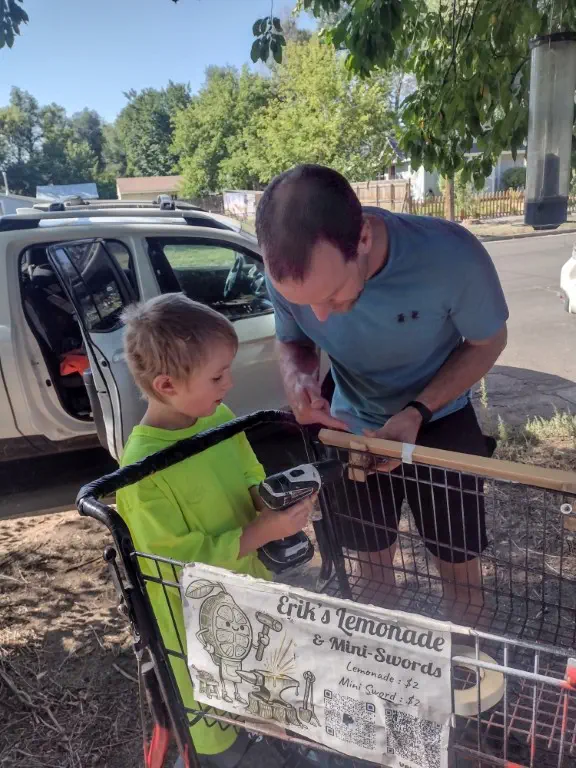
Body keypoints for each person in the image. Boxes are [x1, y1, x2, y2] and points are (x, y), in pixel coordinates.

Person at [256, 164, 509, 621]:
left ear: (365, 239)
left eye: (333, 294)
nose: (322, 316)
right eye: (303, 300)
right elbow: (293, 339)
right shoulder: (288, 269)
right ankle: (388, 682)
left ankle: (467, 678)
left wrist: (417, 411)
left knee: (459, 572)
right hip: (352, 424)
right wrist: (299, 380)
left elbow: (489, 342)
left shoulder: (451, 256)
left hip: (440, 418)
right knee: (370, 572)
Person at [117, 293, 314, 767]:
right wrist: (265, 530)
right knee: (220, 718)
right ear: (166, 384)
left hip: (250, 592)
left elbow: (248, 473)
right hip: (198, 628)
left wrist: (274, 503)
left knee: (268, 687)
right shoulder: (142, 472)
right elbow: (181, 564)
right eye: (217, 376)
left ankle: (275, 741)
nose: (230, 382)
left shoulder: (218, 419)